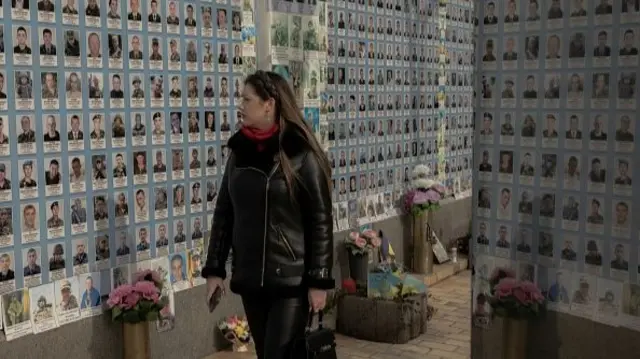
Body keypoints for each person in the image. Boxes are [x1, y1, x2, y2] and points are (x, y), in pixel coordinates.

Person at [202, 71, 334, 359]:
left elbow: (321, 221)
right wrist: (214, 269)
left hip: (291, 280)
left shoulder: (300, 153)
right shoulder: (239, 151)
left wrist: (319, 281)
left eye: (247, 99)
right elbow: (224, 212)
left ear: (268, 104)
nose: (240, 105)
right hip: (251, 279)